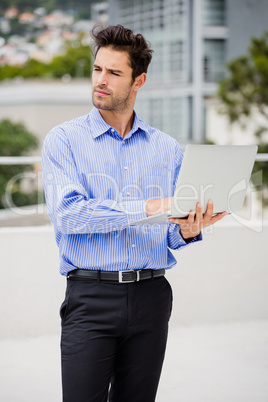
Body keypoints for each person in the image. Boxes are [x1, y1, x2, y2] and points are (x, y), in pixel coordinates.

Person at [41, 24, 227, 402]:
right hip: (90, 297)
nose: (101, 80)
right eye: (97, 70)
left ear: (138, 80)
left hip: (152, 296)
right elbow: (69, 215)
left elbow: (168, 232)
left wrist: (189, 230)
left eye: (114, 73)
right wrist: (150, 206)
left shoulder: (167, 149)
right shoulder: (64, 140)